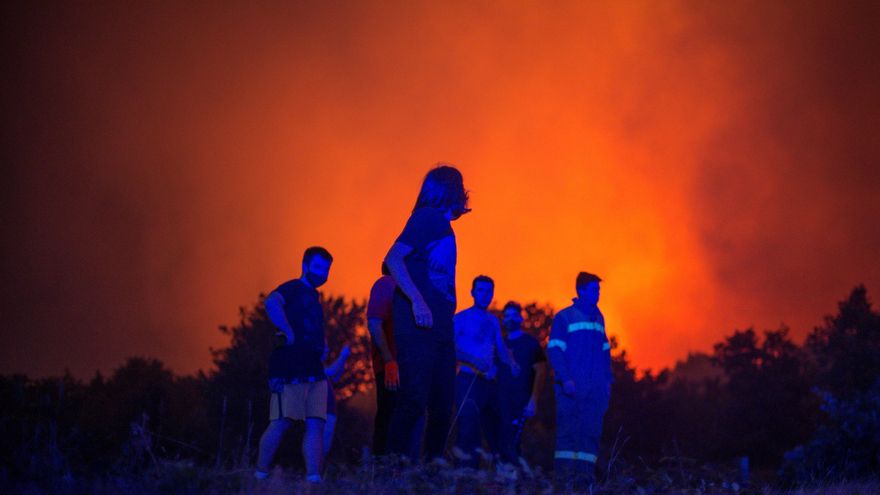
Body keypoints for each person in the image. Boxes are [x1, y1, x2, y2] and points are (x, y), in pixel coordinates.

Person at [384, 164, 470, 461]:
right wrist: (418, 301)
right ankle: (388, 470)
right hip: (418, 325)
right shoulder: (426, 217)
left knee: (444, 404)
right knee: (414, 399)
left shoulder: (442, 226)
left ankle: (431, 470)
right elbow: (392, 260)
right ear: (450, 189)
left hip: (442, 328)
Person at [255, 246, 333, 484]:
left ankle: (313, 480)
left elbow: (310, 325)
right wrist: (287, 331)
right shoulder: (292, 287)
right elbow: (271, 302)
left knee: (316, 424)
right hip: (290, 367)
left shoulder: (314, 297)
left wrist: (323, 344)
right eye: (318, 267)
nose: (322, 273)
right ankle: (259, 476)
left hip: (314, 372)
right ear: (305, 265)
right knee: (280, 423)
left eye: (326, 269)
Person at [547, 271, 612, 483]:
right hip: (571, 389)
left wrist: (607, 384)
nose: (598, 294)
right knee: (568, 437)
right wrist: (565, 379)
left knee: (590, 437)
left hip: (594, 392)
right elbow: (555, 350)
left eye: (599, 290)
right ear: (581, 291)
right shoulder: (564, 317)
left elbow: (604, 353)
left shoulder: (598, 318)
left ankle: (585, 482)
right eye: (594, 290)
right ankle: (564, 482)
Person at [452, 275, 519, 468]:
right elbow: (450, 348)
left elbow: (500, 348)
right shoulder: (461, 318)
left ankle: (503, 475)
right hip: (467, 381)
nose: (485, 295)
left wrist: (512, 363)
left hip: (489, 384)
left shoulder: (493, 321)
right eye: (480, 290)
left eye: (488, 291)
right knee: (468, 430)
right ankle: (464, 477)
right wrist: (473, 361)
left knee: (501, 426)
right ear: (473, 292)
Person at [494, 301, 547, 465]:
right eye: (507, 316)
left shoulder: (531, 343)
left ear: (521, 319)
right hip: (501, 404)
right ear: (503, 320)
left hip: (523, 404)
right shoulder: (499, 344)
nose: (511, 319)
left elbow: (541, 372)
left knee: (520, 448)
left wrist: (533, 400)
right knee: (501, 446)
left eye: (514, 316)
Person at [322, 344, 352, 461]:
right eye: (324, 346)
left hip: (329, 412)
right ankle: (313, 475)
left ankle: (318, 475)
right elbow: (330, 372)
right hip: (321, 411)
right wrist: (342, 355)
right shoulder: (312, 363)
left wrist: (344, 359)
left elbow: (335, 377)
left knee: (325, 447)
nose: (327, 349)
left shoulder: (322, 365)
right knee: (320, 446)